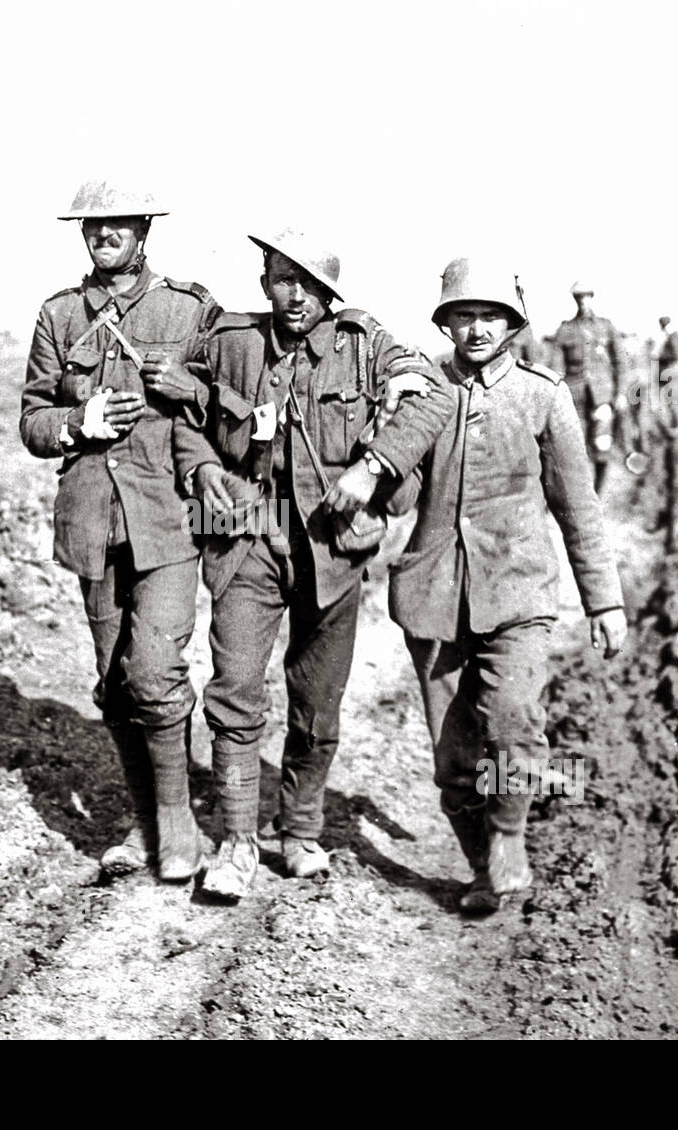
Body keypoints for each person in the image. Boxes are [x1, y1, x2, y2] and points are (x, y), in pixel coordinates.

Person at [177, 228, 455, 900]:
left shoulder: (365, 345)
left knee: (317, 705)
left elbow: (435, 399)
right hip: (248, 539)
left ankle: (300, 829)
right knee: (235, 692)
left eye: (307, 283)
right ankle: (237, 839)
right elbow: (182, 409)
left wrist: (374, 466)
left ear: (330, 291)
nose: (293, 295)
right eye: (280, 279)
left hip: (332, 546)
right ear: (265, 281)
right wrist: (204, 463)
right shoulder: (233, 342)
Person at [386, 258, 627, 914]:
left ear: (513, 324)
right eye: (462, 315)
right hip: (434, 592)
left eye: (489, 315)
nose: (476, 329)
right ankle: (482, 867)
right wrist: (391, 433)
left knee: (513, 720)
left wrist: (604, 601)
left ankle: (511, 834)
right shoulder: (428, 389)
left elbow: (578, 507)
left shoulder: (542, 395)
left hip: (518, 592)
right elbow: (399, 496)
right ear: (445, 322)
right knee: (453, 761)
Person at [19, 179, 221, 882]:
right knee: (114, 685)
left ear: (143, 230)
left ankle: (179, 825)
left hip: (166, 519)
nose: (102, 236)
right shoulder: (59, 315)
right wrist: (78, 424)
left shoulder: (189, 310)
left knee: (154, 673)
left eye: (116, 226)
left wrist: (189, 390)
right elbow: (33, 419)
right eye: (91, 227)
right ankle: (146, 823)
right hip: (92, 522)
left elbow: (227, 400)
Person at [552, 281, 629, 495]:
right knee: (576, 446)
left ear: (592, 298)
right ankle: (580, 495)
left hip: (602, 395)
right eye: (578, 297)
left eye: (586, 296)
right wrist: (556, 394)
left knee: (602, 445)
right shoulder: (565, 330)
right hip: (574, 396)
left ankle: (598, 493)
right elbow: (556, 367)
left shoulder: (606, 326)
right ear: (574, 300)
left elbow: (621, 362)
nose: (583, 301)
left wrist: (621, 393)